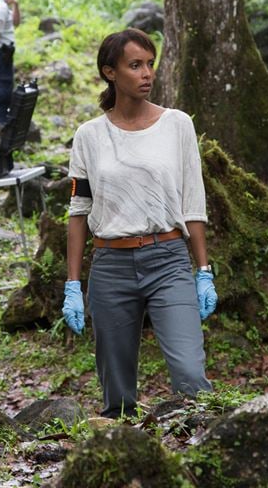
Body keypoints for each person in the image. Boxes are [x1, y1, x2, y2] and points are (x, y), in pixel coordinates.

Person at [61, 28, 218, 417]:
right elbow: (78, 211)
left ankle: (200, 451)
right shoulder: (89, 136)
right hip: (111, 266)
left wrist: (203, 271)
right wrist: (72, 284)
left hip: (168, 259)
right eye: (135, 65)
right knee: (116, 392)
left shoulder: (177, 124)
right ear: (110, 72)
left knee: (189, 373)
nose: (147, 73)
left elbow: (193, 203)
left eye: (150, 64)